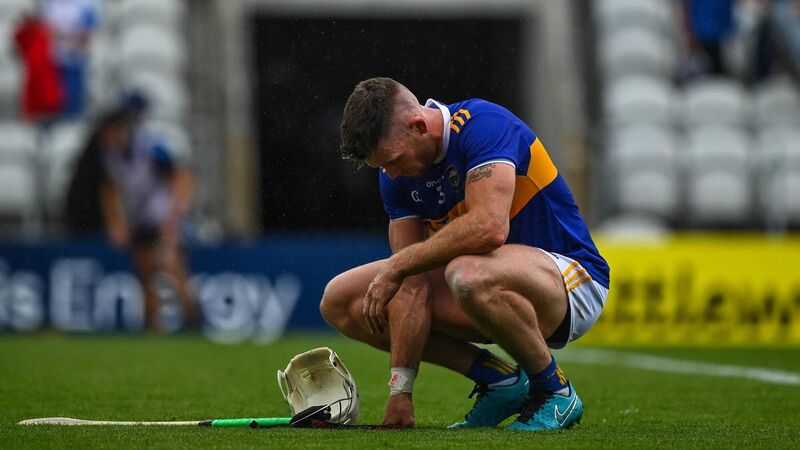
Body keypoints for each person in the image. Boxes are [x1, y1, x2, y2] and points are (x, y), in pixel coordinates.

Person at [321, 78, 610, 431]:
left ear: (419, 126)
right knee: (342, 300)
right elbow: (411, 283)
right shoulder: (394, 175)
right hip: (484, 288)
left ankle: (555, 390)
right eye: (383, 167)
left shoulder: (484, 125)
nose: (391, 174)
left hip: (572, 282)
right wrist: (401, 392)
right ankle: (499, 380)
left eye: (394, 161)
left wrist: (399, 264)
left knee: (465, 273)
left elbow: (490, 228)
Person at [41, 0, 99, 118]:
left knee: (74, 89)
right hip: (55, 54)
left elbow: (89, 27)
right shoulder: (50, 4)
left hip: (76, 53)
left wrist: (78, 37)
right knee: (56, 89)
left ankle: (74, 114)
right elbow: (45, 27)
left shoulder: (86, 4)